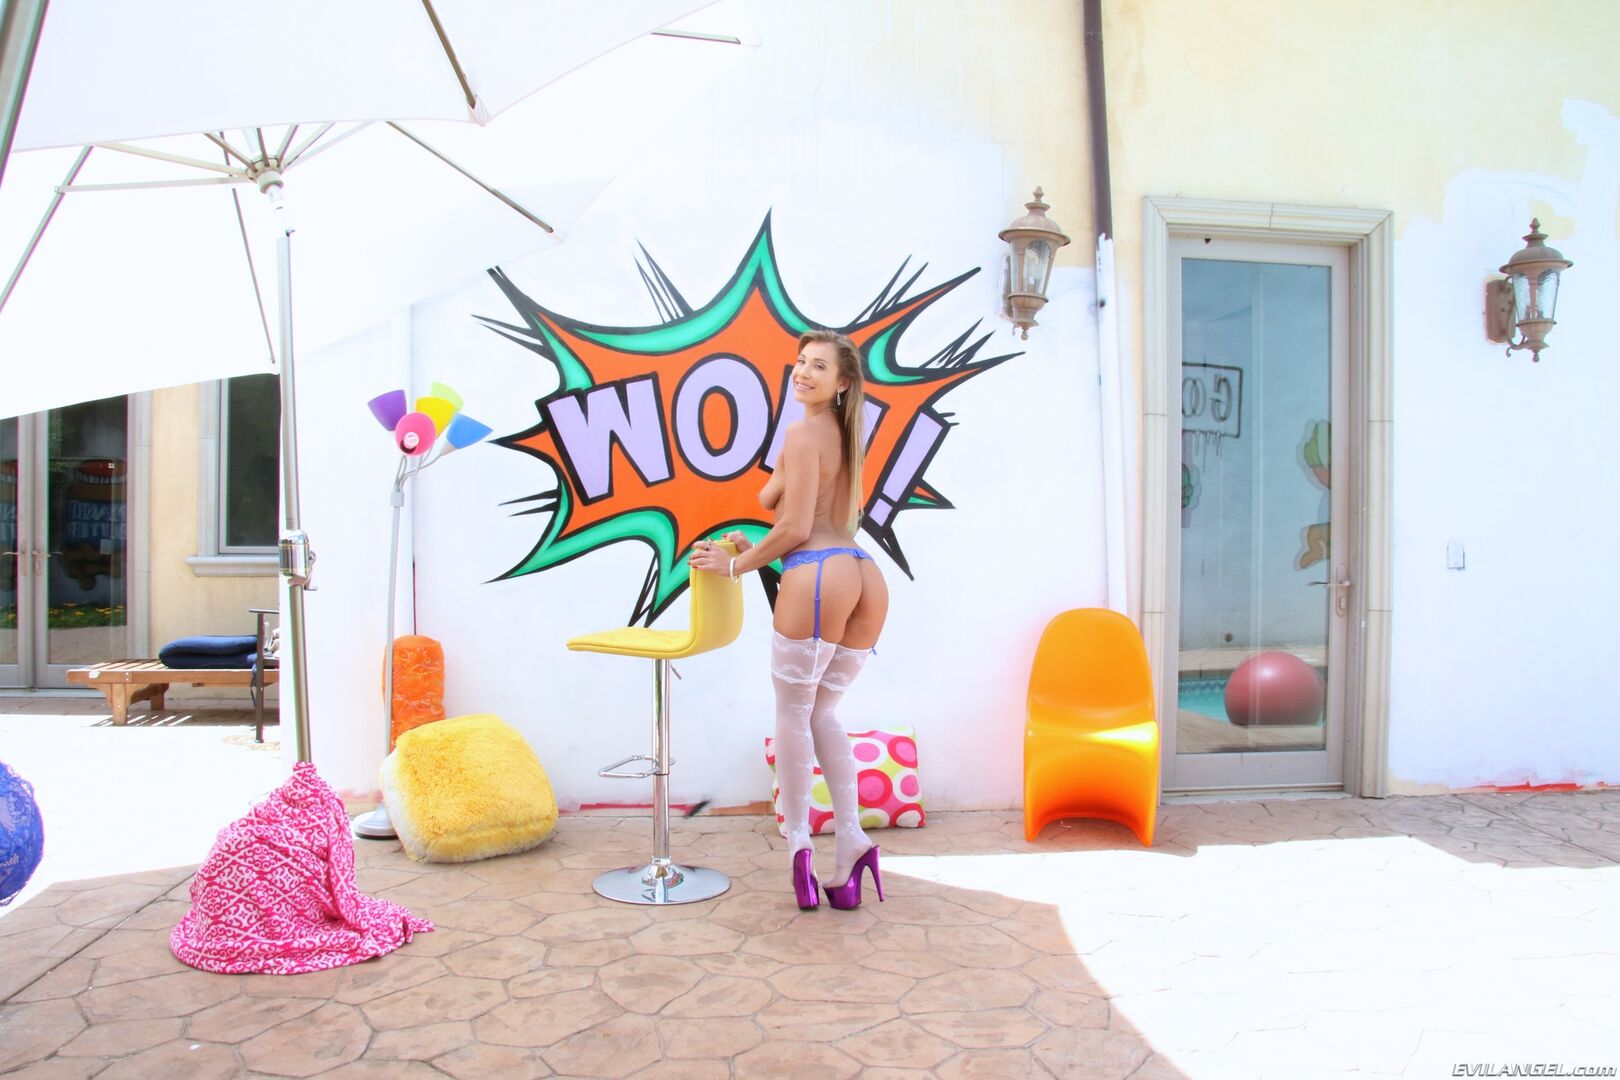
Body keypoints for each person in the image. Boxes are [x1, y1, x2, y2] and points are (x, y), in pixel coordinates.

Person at [688, 329, 889, 911]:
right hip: (864, 575)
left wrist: (736, 565)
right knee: (823, 712)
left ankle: (799, 844)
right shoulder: (842, 436)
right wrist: (753, 540)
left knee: (794, 713)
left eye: (819, 366)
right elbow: (783, 502)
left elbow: (796, 527)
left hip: (819, 572)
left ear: (842, 382)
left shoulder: (805, 434)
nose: (803, 372)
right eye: (801, 362)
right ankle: (851, 844)